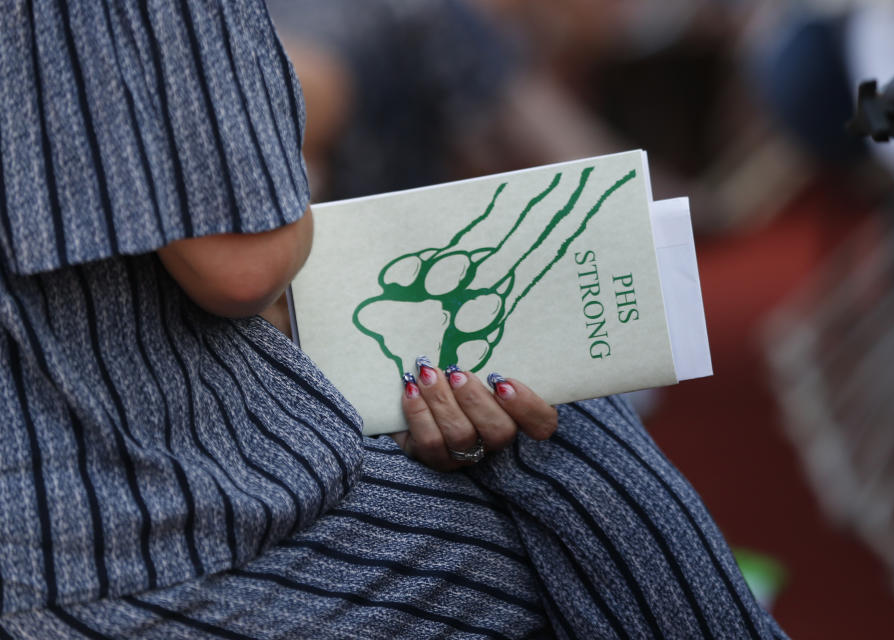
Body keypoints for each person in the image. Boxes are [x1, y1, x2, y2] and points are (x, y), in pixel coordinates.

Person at [0, 2, 788, 638]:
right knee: (576, 458)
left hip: (77, 485)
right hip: (139, 519)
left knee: (531, 429)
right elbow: (242, 261)